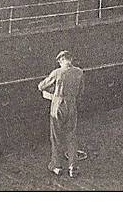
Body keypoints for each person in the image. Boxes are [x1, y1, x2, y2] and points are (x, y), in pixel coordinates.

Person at [38, 50, 85, 178]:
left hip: (58, 104)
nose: (59, 63)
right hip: (72, 105)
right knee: (71, 136)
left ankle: (56, 166)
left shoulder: (57, 72)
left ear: (62, 59)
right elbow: (81, 92)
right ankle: (73, 167)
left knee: (56, 136)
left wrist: (53, 92)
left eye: (60, 61)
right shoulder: (79, 72)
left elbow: (41, 86)